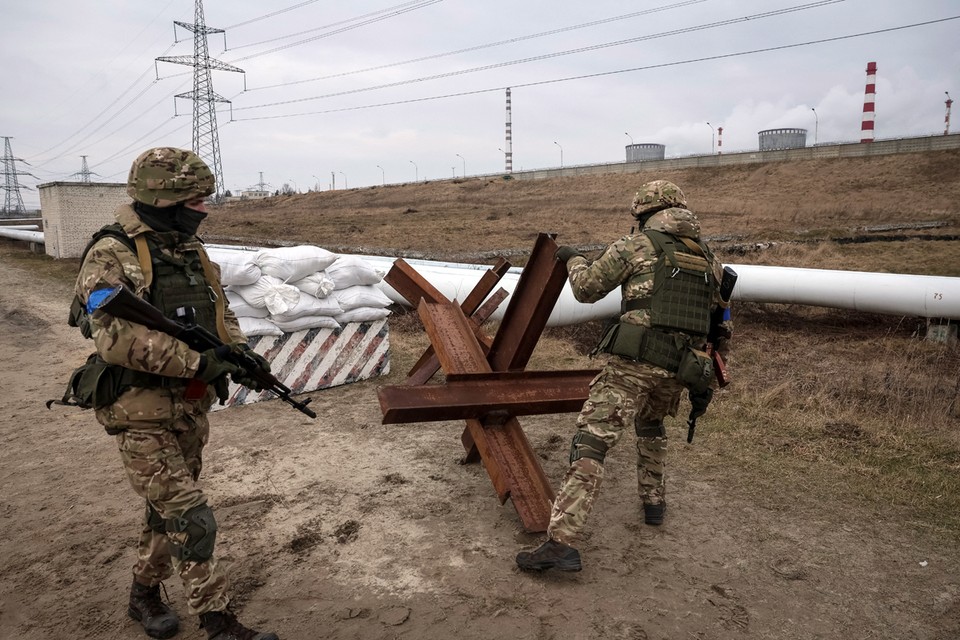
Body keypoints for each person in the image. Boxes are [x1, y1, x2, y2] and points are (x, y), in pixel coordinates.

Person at [68, 147, 279, 639]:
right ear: (164, 200)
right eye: (196, 201)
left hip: (189, 406)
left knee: (165, 513)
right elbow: (115, 337)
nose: (204, 209)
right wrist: (200, 362)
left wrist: (242, 356)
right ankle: (218, 621)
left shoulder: (188, 250)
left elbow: (220, 313)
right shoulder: (111, 253)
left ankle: (142, 593)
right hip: (137, 409)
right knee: (190, 515)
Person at [516, 180, 731, 572]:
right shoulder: (710, 260)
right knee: (651, 425)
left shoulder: (636, 245)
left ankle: (561, 542)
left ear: (645, 213)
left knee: (592, 440)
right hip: (681, 368)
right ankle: (654, 503)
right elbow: (721, 327)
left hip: (634, 363)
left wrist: (573, 259)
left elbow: (586, 290)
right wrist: (708, 380)